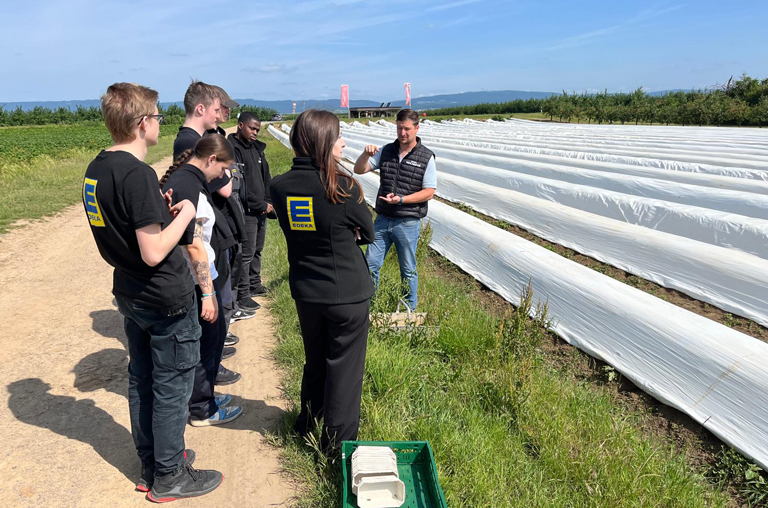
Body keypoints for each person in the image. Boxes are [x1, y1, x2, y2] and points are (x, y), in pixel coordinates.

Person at [82, 82, 222, 501]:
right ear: (142, 124)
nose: (160, 123)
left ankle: (154, 461)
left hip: (129, 293)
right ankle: (170, 474)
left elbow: (123, 221)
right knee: (172, 386)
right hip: (164, 297)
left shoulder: (97, 168)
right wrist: (185, 217)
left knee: (142, 379)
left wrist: (159, 210)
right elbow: (153, 249)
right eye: (158, 116)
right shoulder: (137, 174)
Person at [269, 109, 375, 454]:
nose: (343, 142)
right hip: (347, 294)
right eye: (338, 136)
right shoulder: (342, 186)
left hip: (307, 291)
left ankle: (307, 424)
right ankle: (336, 450)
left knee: (315, 360)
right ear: (323, 142)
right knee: (344, 372)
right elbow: (368, 231)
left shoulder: (281, 187)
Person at [160, 134, 245, 426]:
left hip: (200, 278)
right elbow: (194, 245)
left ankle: (203, 398)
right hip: (198, 281)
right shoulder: (189, 187)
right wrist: (208, 294)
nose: (222, 175)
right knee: (207, 341)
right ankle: (201, 409)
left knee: (211, 338)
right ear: (211, 160)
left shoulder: (187, 179)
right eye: (222, 169)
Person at [353, 108, 437, 311]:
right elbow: (359, 169)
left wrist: (402, 200)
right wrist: (365, 154)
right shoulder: (386, 151)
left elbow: (429, 192)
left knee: (408, 269)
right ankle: (369, 307)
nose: (402, 133)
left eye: (407, 129)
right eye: (399, 128)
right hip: (382, 219)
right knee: (370, 264)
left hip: (407, 222)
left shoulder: (426, 157)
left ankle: (409, 310)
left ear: (417, 128)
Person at [228, 111, 273, 314]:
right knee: (245, 253)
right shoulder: (233, 150)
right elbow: (241, 185)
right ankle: (243, 294)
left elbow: (266, 178)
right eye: (252, 128)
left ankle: (255, 283)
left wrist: (268, 202)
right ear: (240, 125)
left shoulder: (257, 150)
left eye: (257, 129)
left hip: (261, 209)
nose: (255, 132)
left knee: (257, 249)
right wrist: (258, 204)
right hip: (246, 211)